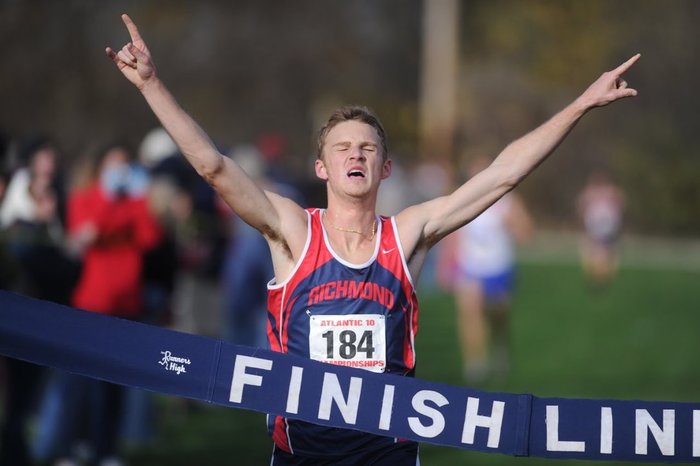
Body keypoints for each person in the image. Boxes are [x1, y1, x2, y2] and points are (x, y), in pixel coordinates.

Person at [106, 13, 639, 465]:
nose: (355, 155)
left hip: (387, 454)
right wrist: (152, 85)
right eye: (342, 148)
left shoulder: (407, 235)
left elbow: (502, 176)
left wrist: (579, 106)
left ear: (385, 168)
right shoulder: (294, 231)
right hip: (302, 453)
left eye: (368, 148)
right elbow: (214, 167)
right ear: (321, 166)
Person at [439, 156, 533, 385]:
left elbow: (526, 232)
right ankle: (475, 364)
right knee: (470, 313)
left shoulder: (507, 201)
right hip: (471, 268)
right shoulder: (464, 199)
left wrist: (511, 226)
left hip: (499, 266)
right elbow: (452, 233)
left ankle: (500, 348)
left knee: (498, 315)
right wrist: (446, 264)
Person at [577, 170, 625, 287]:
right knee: (600, 251)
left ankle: (600, 275)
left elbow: (621, 202)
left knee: (600, 251)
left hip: (603, 226)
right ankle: (600, 274)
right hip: (600, 225)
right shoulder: (605, 192)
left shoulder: (607, 191)